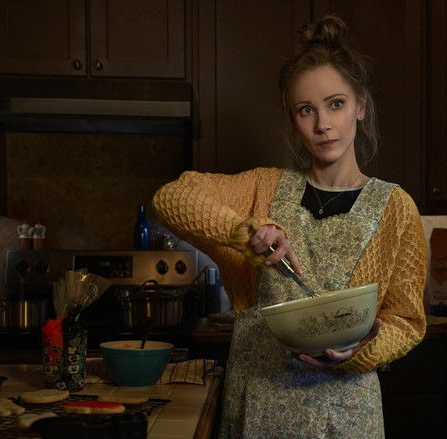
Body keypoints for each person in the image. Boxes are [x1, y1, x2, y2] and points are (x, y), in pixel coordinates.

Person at [152, 15, 427, 438]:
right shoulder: (263, 188)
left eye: (336, 104)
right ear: (293, 119)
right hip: (258, 406)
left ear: (361, 106)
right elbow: (171, 197)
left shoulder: (396, 209)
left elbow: (406, 320)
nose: (323, 124)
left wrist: (361, 351)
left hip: (348, 414)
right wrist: (245, 232)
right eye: (306, 110)